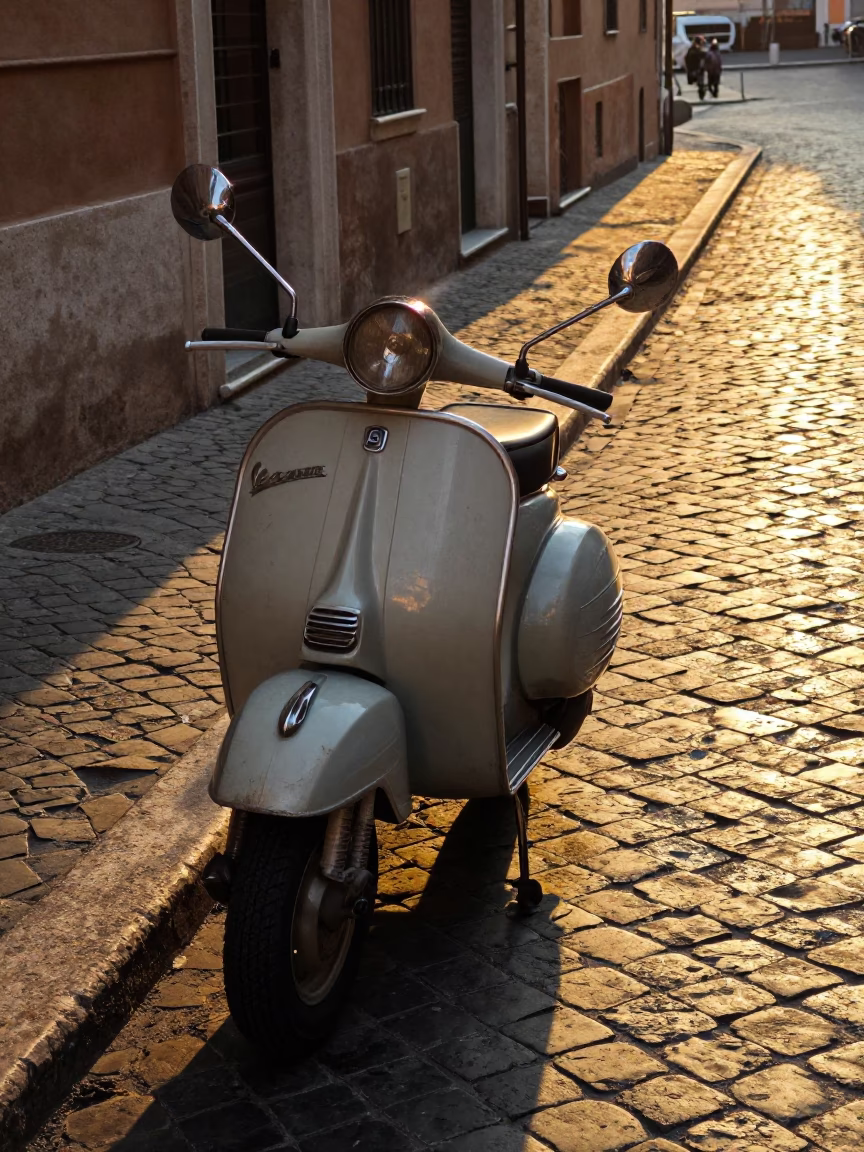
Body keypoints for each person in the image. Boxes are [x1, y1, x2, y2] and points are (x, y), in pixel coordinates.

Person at [684, 35, 707, 101]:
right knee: (700, 84)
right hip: (696, 70)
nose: (702, 44)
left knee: (701, 84)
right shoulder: (694, 50)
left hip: (697, 69)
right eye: (702, 42)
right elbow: (699, 55)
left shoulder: (693, 49)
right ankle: (701, 95)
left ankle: (702, 95)